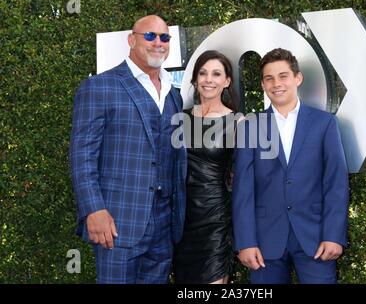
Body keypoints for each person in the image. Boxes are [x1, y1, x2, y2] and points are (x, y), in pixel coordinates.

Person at [70, 15, 186, 284]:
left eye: (164, 37)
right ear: (131, 40)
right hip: (117, 221)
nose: (158, 42)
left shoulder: (174, 94)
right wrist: (93, 209)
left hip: (164, 225)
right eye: (150, 36)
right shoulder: (99, 86)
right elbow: (82, 155)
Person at [232, 48, 349, 284]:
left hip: (316, 238)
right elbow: (243, 189)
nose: (277, 83)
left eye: (283, 76)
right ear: (263, 84)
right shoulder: (249, 127)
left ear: (298, 78)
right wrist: (245, 241)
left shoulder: (324, 124)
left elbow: (336, 182)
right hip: (264, 242)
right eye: (269, 78)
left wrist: (334, 235)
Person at [173, 50, 239, 284]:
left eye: (216, 73)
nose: (208, 79)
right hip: (181, 221)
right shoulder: (179, 119)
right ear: (194, 79)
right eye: (203, 73)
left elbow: (244, 176)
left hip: (215, 221)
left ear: (227, 81)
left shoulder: (238, 122)